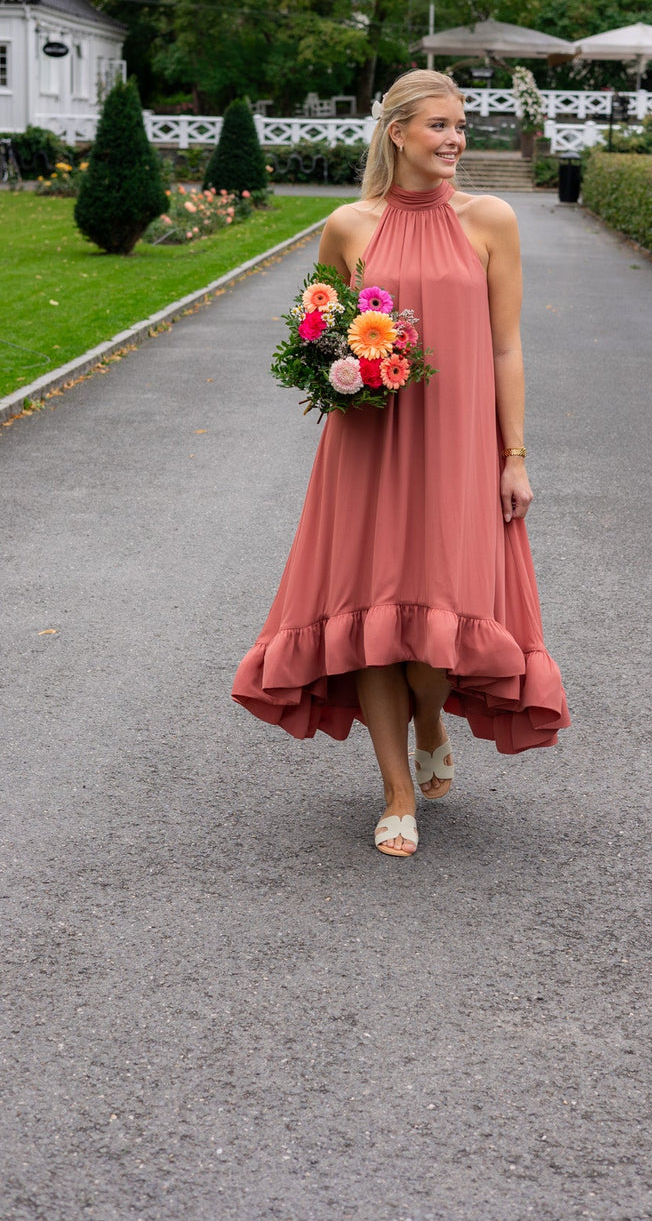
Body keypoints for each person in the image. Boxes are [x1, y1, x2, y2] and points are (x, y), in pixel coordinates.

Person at [232, 70, 569, 857]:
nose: (456, 140)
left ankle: (428, 715)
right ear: (398, 134)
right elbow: (314, 335)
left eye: (461, 127)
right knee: (372, 617)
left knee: (435, 634)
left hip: (458, 447)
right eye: (440, 127)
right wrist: (342, 367)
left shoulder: (491, 220)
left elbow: (506, 345)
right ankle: (395, 793)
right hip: (369, 444)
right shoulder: (349, 226)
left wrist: (514, 456)